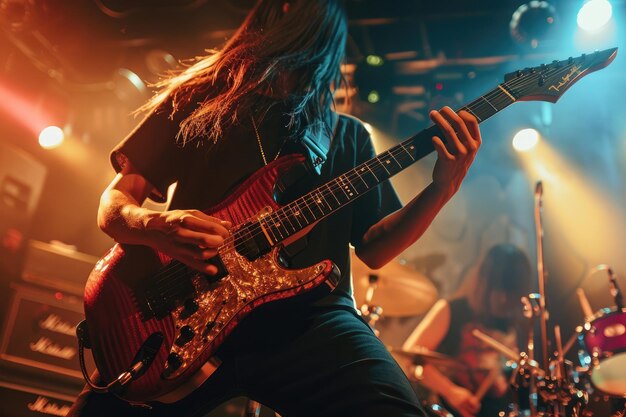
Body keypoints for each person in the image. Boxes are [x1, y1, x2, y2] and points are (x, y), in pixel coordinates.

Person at [68, 1, 482, 416]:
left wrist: (442, 189)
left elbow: (376, 248)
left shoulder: (345, 135)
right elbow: (114, 203)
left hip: (307, 321)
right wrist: (155, 226)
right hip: (180, 309)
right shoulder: (200, 99)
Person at [400, 244, 532, 417]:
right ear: (485, 283)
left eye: (513, 294)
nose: (506, 300)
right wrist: (451, 392)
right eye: (502, 291)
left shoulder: (515, 324)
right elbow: (409, 359)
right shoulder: (451, 310)